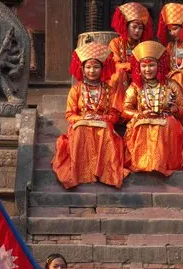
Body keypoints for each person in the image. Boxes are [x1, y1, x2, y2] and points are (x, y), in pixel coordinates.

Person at [52, 42, 128, 189]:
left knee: (105, 130)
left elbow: (114, 114)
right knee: (80, 130)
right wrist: (82, 118)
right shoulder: (76, 89)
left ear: (102, 68)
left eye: (96, 67)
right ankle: (81, 173)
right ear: (82, 69)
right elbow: (69, 115)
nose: (92, 71)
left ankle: (104, 173)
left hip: (103, 124)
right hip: (82, 124)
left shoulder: (109, 90)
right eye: (88, 67)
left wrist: (102, 118)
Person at [123, 40, 183, 175]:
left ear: (159, 65)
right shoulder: (135, 86)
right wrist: (139, 114)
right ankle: (144, 163)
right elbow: (125, 109)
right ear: (139, 67)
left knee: (165, 126)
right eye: (144, 66)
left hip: (167, 119)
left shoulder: (171, 84)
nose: (148, 70)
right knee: (143, 126)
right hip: (142, 119)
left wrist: (175, 110)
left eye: (152, 65)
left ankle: (162, 163)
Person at [109, 2, 154, 103]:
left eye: (140, 28)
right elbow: (115, 64)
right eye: (134, 27)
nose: (137, 31)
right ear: (126, 27)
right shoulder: (115, 42)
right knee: (120, 73)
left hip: (141, 74)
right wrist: (131, 66)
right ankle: (119, 109)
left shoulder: (144, 44)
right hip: (122, 76)